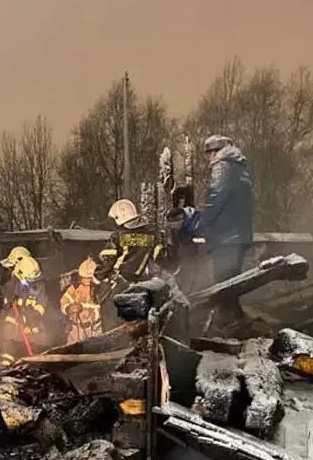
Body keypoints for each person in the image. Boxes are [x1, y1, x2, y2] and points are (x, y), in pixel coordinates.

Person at [182, 135, 254, 325]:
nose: (209, 157)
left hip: (226, 236)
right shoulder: (241, 169)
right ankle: (236, 322)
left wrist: (198, 222)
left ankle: (230, 325)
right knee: (232, 283)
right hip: (240, 234)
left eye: (210, 152)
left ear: (218, 151)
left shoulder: (223, 167)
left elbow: (216, 199)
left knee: (223, 284)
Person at [97, 198, 166, 284]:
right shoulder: (152, 233)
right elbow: (160, 257)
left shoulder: (118, 235)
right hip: (143, 279)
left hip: (119, 280)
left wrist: (98, 276)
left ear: (119, 217)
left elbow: (109, 259)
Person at [1, 254, 48, 363]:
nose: (32, 282)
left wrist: (33, 316)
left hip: (33, 325)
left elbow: (42, 303)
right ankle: (5, 370)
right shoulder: (13, 284)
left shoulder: (40, 285)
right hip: (14, 324)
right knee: (9, 350)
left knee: (35, 350)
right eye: (29, 279)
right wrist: (9, 300)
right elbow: (6, 303)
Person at [60, 258, 104, 344]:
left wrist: (82, 306)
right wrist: (68, 308)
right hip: (76, 331)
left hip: (95, 330)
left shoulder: (100, 289)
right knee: (72, 352)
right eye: (84, 277)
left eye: (89, 278)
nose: (86, 280)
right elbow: (63, 302)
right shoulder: (74, 288)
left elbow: (100, 305)